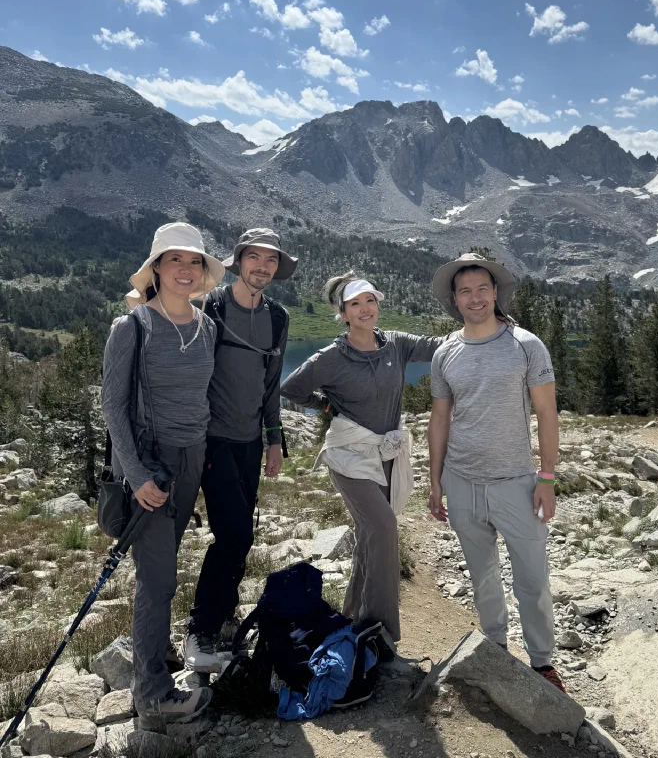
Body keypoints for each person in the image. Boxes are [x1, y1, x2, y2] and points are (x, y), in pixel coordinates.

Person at [280, 273, 448, 659]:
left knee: (371, 536)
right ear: (343, 313)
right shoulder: (331, 358)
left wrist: (481, 322)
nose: (364, 308)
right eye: (355, 303)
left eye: (369, 300)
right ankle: (380, 632)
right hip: (350, 455)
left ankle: (354, 617)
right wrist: (327, 405)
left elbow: (440, 347)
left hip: (386, 454)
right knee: (384, 527)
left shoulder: (397, 344)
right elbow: (291, 389)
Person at [102, 222, 225, 728]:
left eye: (194, 262)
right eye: (174, 260)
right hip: (149, 466)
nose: (185, 269)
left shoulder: (207, 327)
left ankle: (153, 660)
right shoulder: (131, 327)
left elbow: (200, 399)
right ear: (155, 269)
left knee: (164, 569)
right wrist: (135, 475)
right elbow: (113, 407)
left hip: (190, 460)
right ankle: (151, 694)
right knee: (157, 580)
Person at [426, 254, 565, 692]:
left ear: (496, 292)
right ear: (454, 299)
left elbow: (546, 412)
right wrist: (435, 479)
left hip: (516, 481)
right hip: (462, 481)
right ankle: (496, 650)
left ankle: (542, 662)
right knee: (482, 574)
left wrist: (547, 476)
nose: (475, 297)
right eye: (465, 291)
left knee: (532, 577)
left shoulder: (526, 345)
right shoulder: (445, 352)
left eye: (483, 288)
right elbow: (440, 418)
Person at [184, 228, 297, 673]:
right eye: (255, 258)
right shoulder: (211, 308)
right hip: (213, 440)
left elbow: (271, 385)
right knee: (234, 535)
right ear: (238, 261)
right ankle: (201, 628)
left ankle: (223, 616)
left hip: (251, 441)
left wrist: (274, 439)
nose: (263, 268)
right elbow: (194, 375)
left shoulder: (279, 318)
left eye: (271, 261)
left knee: (239, 533)